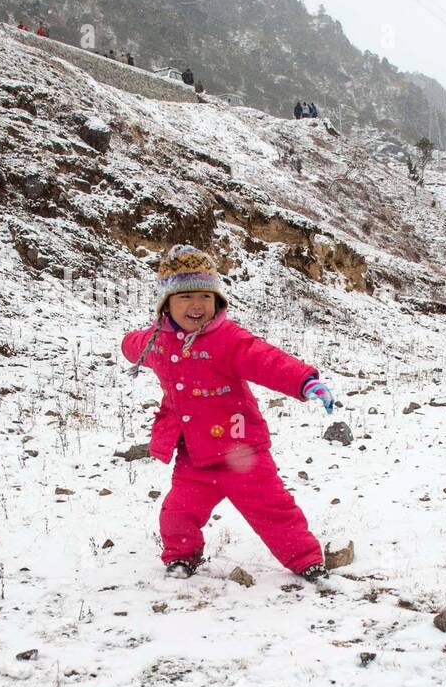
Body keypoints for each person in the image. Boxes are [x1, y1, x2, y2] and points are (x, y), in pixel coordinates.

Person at [121, 246, 338, 583]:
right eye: (186, 296)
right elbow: (134, 344)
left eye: (206, 296)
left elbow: (265, 359)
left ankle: (307, 561)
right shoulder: (158, 342)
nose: (197, 305)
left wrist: (305, 382)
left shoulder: (227, 339)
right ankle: (181, 558)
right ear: (166, 304)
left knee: (275, 510)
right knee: (177, 513)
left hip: (243, 452)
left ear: (217, 300)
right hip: (195, 458)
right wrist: (127, 345)